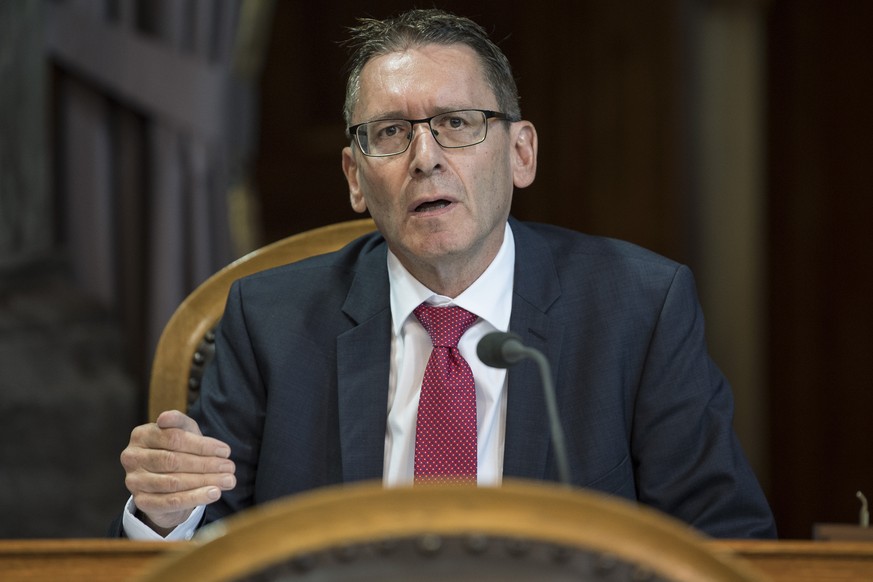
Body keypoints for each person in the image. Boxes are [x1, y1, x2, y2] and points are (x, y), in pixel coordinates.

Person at [116, 8, 776, 540]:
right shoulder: (271, 319)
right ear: (354, 177)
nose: (425, 158)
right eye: (391, 134)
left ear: (520, 153)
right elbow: (209, 546)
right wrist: (167, 514)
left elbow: (722, 542)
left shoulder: (638, 306)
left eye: (457, 124)